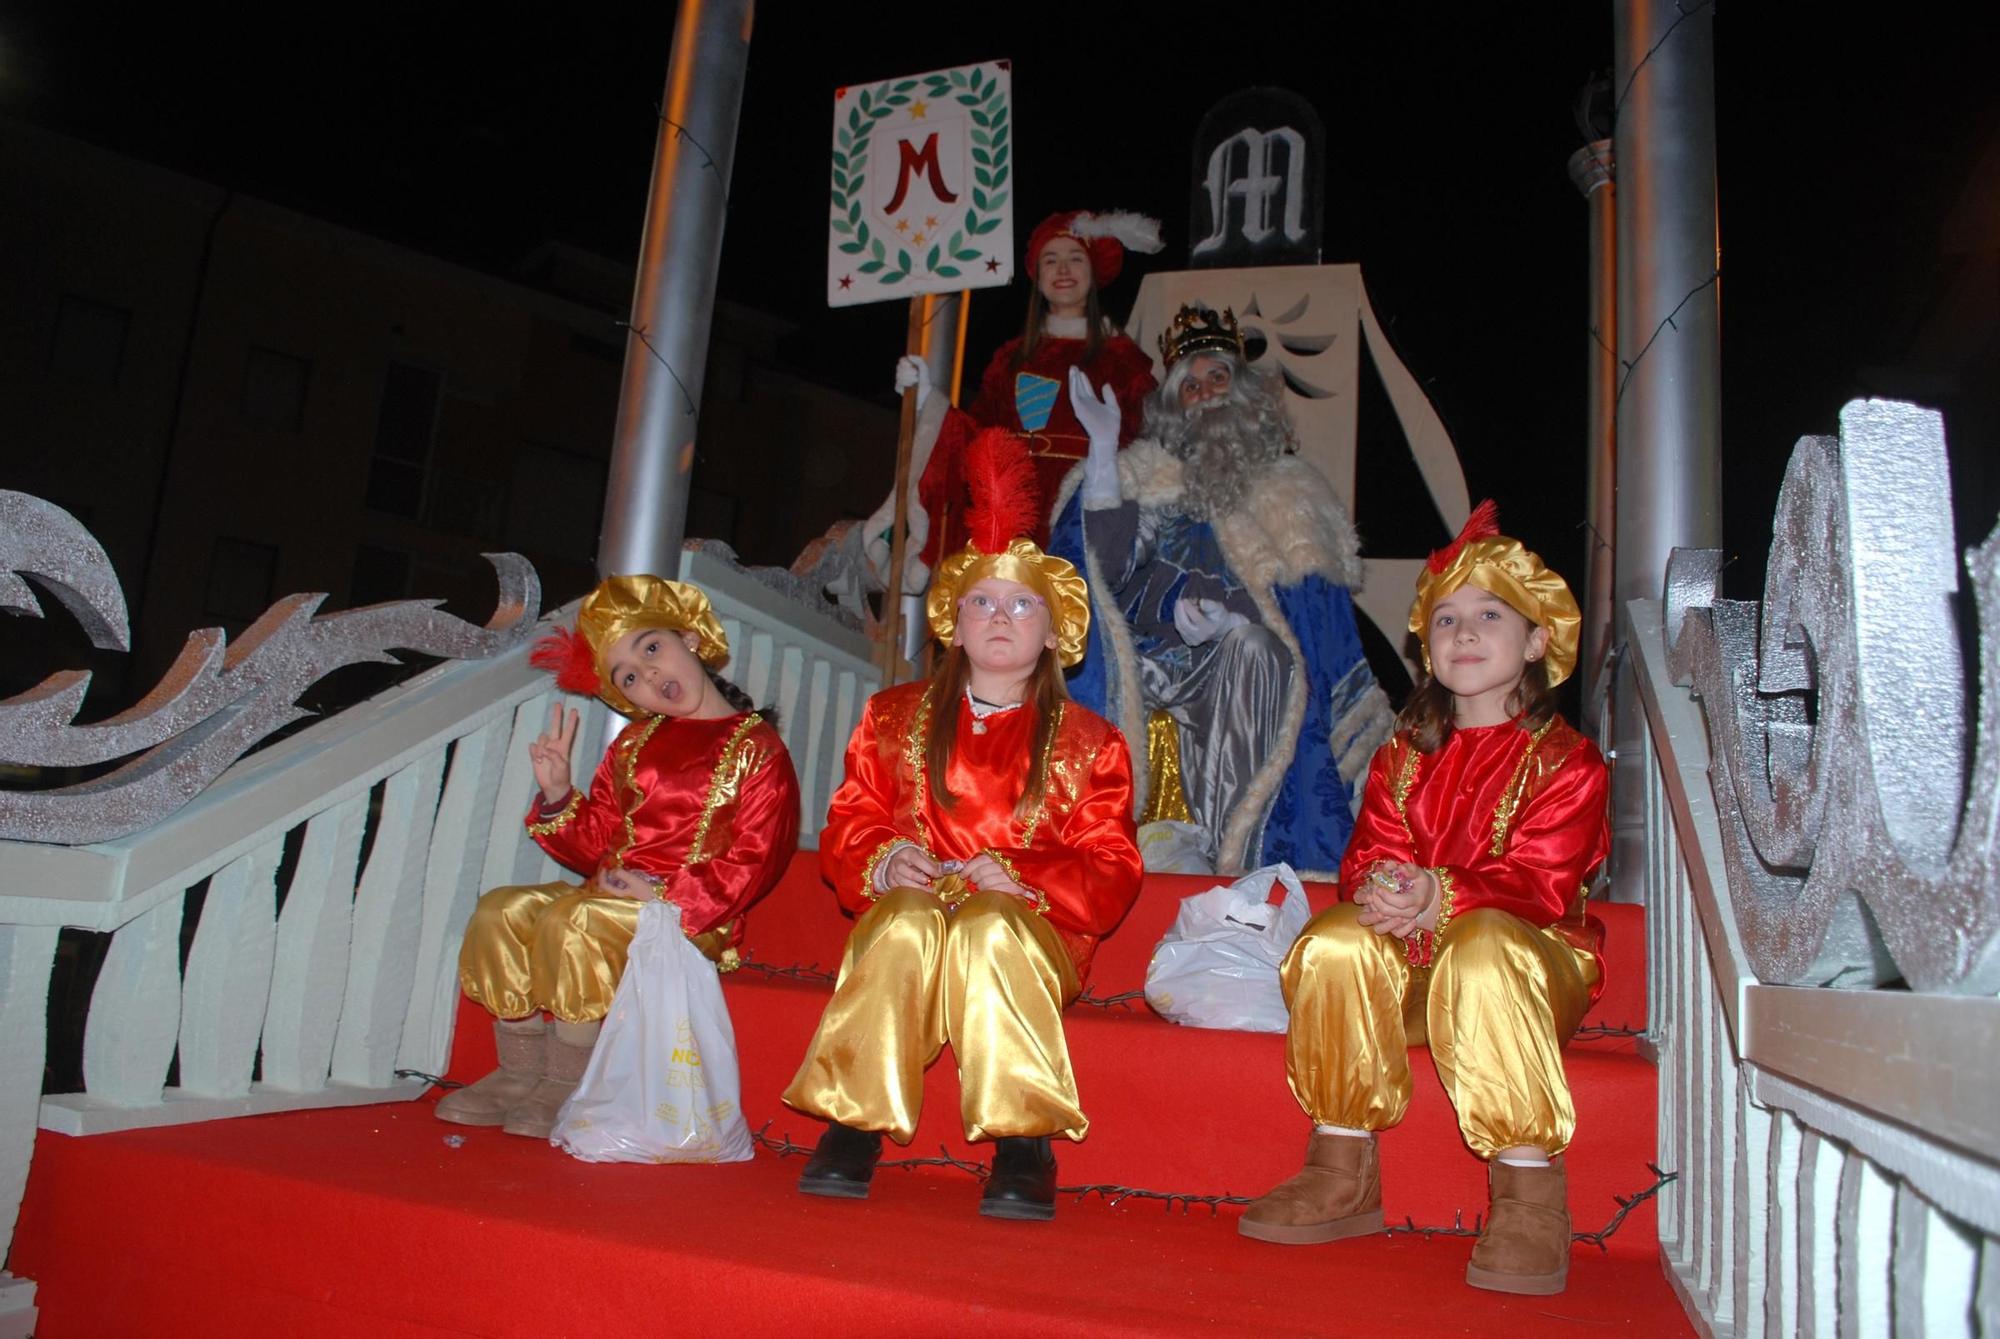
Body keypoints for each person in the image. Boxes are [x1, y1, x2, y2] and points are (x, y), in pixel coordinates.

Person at [1237, 502, 1608, 1298]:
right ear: (1427, 648)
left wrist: (1445, 892)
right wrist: (1385, 888)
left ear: (1538, 640)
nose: (1465, 633)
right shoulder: (1404, 756)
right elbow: (1367, 853)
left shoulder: (1569, 764)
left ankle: (1528, 1189)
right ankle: (1340, 1163)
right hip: (1413, 965)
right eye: (1446, 619)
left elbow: (1543, 884)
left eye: (1488, 616)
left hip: (1527, 971)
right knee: (1336, 937)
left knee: (1479, 945)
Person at [784, 428, 1143, 1221]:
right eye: (982, 599)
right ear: (954, 620)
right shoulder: (890, 716)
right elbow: (852, 821)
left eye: (1022, 603)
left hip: (1030, 927)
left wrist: (1023, 880)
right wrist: (880, 864)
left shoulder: (1093, 743)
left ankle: (1023, 1137)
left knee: (987, 925)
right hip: (914, 910)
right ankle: (854, 1119)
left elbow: (1112, 868)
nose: (1001, 616)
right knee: (906, 920)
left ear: (1054, 631)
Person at [436, 575, 801, 1139]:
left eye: (652, 648)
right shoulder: (633, 744)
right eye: (629, 676)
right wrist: (559, 793)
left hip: (684, 915)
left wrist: (663, 894)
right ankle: (519, 1069)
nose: (649, 674)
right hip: (605, 899)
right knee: (500, 910)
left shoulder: (756, 748)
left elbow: (756, 856)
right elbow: (593, 844)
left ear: (692, 639)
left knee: (572, 920)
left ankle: (568, 1078)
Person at [1047, 303, 1391, 877]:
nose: (1204, 392)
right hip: (1151, 659)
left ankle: (1231, 860)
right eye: (1190, 385)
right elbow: (1098, 571)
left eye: (1217, 378)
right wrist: (1104, 455)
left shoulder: (1295, 491)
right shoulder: (1147, 476)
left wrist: (1232, 621)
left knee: (1255, 647)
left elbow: (1318, 626)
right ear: (1172, 403)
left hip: (1243, 668)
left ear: (1245, 393)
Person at [864, 209, 1163, 590]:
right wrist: (927, 398)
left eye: (1075, 258)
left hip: (1083, 510)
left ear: (1093, 273)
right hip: (1012, 513)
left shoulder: (1123, 359)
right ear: (1037, 278)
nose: (1063, 270)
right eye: (1050, 260)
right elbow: (979, 437)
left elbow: (1147, 440)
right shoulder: (1012, 358)